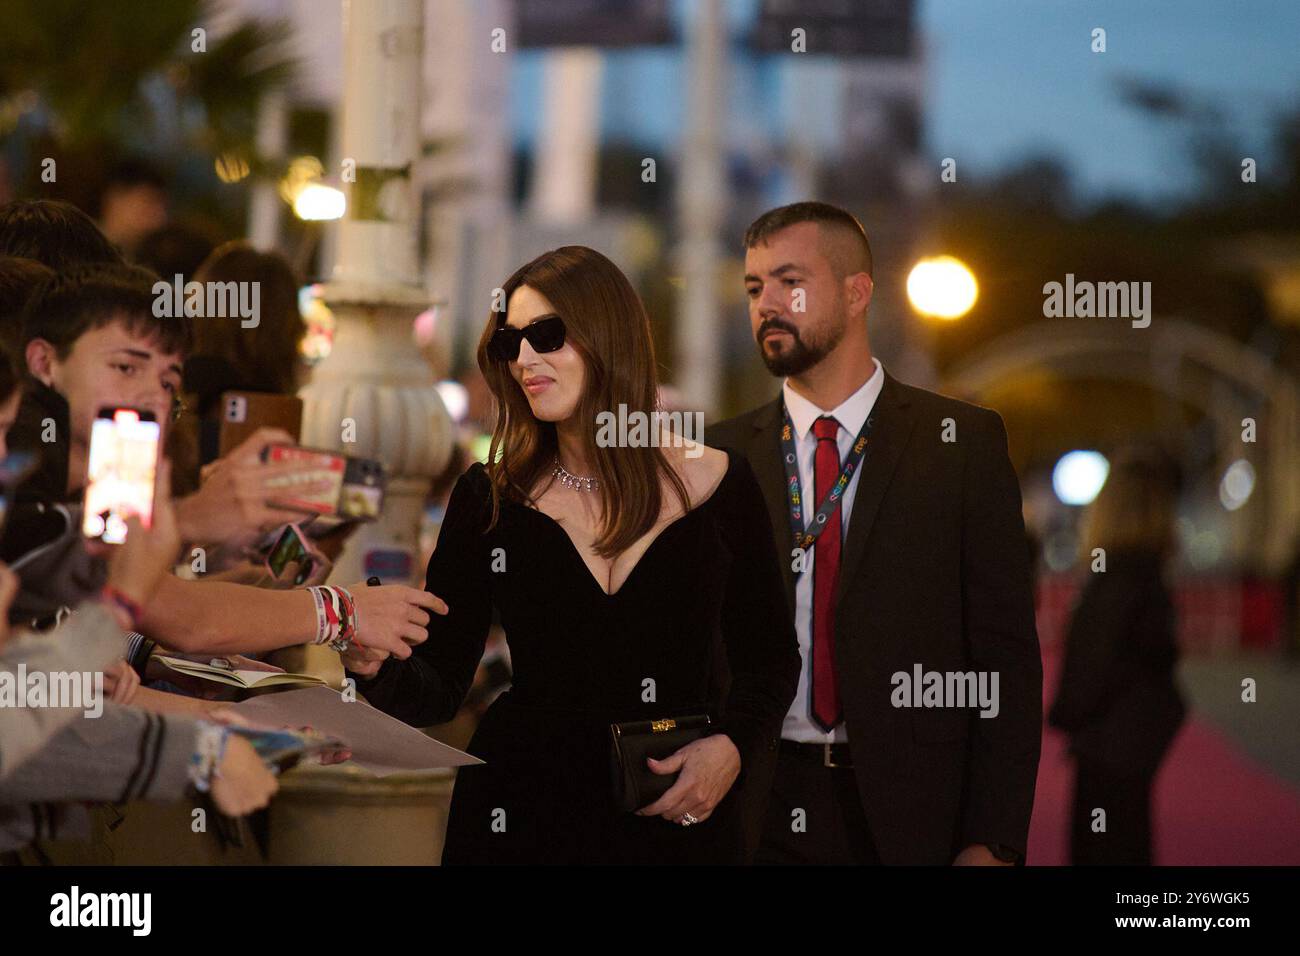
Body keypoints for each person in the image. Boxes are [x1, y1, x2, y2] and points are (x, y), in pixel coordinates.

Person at [341, 245, 800, 864]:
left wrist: (732, 750)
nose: (525, 359)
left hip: (673, 813)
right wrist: (373, 665)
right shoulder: (489, 497)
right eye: (511, 344)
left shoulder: (721, 483)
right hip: (520, 814)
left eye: (547, 336)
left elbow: (769, 661)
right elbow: (441, 686)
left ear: (606, 336)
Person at [706, 202, 1042, 865]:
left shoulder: (960, 445)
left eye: (789, 281)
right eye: (754, 287)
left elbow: (1005, 659)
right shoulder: (720, 457)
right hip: (752, 807)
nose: (767, 303)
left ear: (858, 291)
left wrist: (992, 841)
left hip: (907, 815)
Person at [7, 262, 438, 661]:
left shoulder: (111, 477)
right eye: (125, 367)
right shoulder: (20, 478)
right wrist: (339, 611)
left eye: (167, 381)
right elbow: (181, 617)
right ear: (43, 362)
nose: (152, 397)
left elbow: (152, 602)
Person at [1048, 448, 1186, 865]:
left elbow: (1091, 664)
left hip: (1107, 747)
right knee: (1130, 843)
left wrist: (1064, 714)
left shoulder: (1113, 579)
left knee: (1102, 849)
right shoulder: (1150, 576)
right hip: (1134, 742)